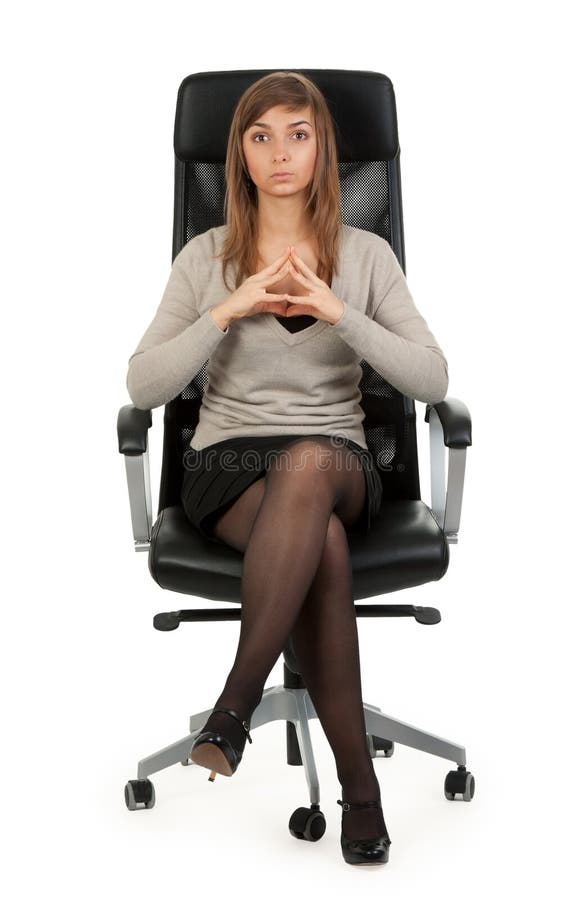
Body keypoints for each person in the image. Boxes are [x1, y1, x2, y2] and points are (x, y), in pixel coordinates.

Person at [126, 71, 449, 865]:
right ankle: (361, 796)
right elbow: (144, 385)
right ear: (237, 152)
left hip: (337, 459)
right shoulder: (207, 258)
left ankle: (231, 708)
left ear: (322, 149)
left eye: (297, 134)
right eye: (260, 135)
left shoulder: (366, 256)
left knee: (308, 467)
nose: (279, 152)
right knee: (323, 550)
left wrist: (342, 313)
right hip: (228, 468)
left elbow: (433, 380)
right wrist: (226, 311)